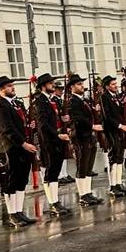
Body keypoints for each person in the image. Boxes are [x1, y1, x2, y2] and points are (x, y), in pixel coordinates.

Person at [0, 76, 38, 228]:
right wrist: (23, 143)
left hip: (22, 147)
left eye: (12, 85)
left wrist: (29, 125)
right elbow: (7, 129)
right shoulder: (1, 107)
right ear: (1, 90)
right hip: (10, 148)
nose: (12, 88)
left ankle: (19, 211)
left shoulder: (16, 104)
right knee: (11, 182)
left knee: (21, 180)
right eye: (9, 86)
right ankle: (12, 213)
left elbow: (20, 124)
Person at [32, 73, 70, 217]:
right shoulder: (40, 102)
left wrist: (64, 119)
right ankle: (53, 202)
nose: (53, 85)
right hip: (49, 141)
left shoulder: (53, 100)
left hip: (58, 140)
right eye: (50, 83)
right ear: (43, 86)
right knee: (50, 172)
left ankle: (55, 201)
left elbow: (57, 118)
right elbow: (43, 124)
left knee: (55, 171)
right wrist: (57, 135)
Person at [67, 73, 104, 206]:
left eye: (82, 83)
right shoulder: (73, 101)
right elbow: (78, 118)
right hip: (80, 137)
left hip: (89, 136)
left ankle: (88, 193)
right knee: (82, 166)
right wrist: (92, 126)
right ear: (72, 87)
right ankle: (83, 195)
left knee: (88, 166)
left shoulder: (84, 100)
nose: (82, 86)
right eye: (79, 84)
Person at [101, 75, 126, 196]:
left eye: (116, 84)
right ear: (107, 86)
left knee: (120, 157)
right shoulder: (104, 97)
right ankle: (113, 186)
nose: (116, 86)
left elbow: (119, 113)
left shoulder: (116, 96)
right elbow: (107, 116)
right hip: (111, 131)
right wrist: (120, 126)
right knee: (113, 158)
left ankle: (119, 183)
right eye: (113, 84)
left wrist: (124, 104)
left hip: (119, 131)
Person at [53, 79, 76, 186]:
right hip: (58, 129)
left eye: (62, 89)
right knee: (59, 153)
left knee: (65, 152)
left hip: (63, 128)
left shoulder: (61, 100)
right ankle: (60, 175)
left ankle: (64, 174)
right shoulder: (54, 101)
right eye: (59, 89)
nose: (61, 91)